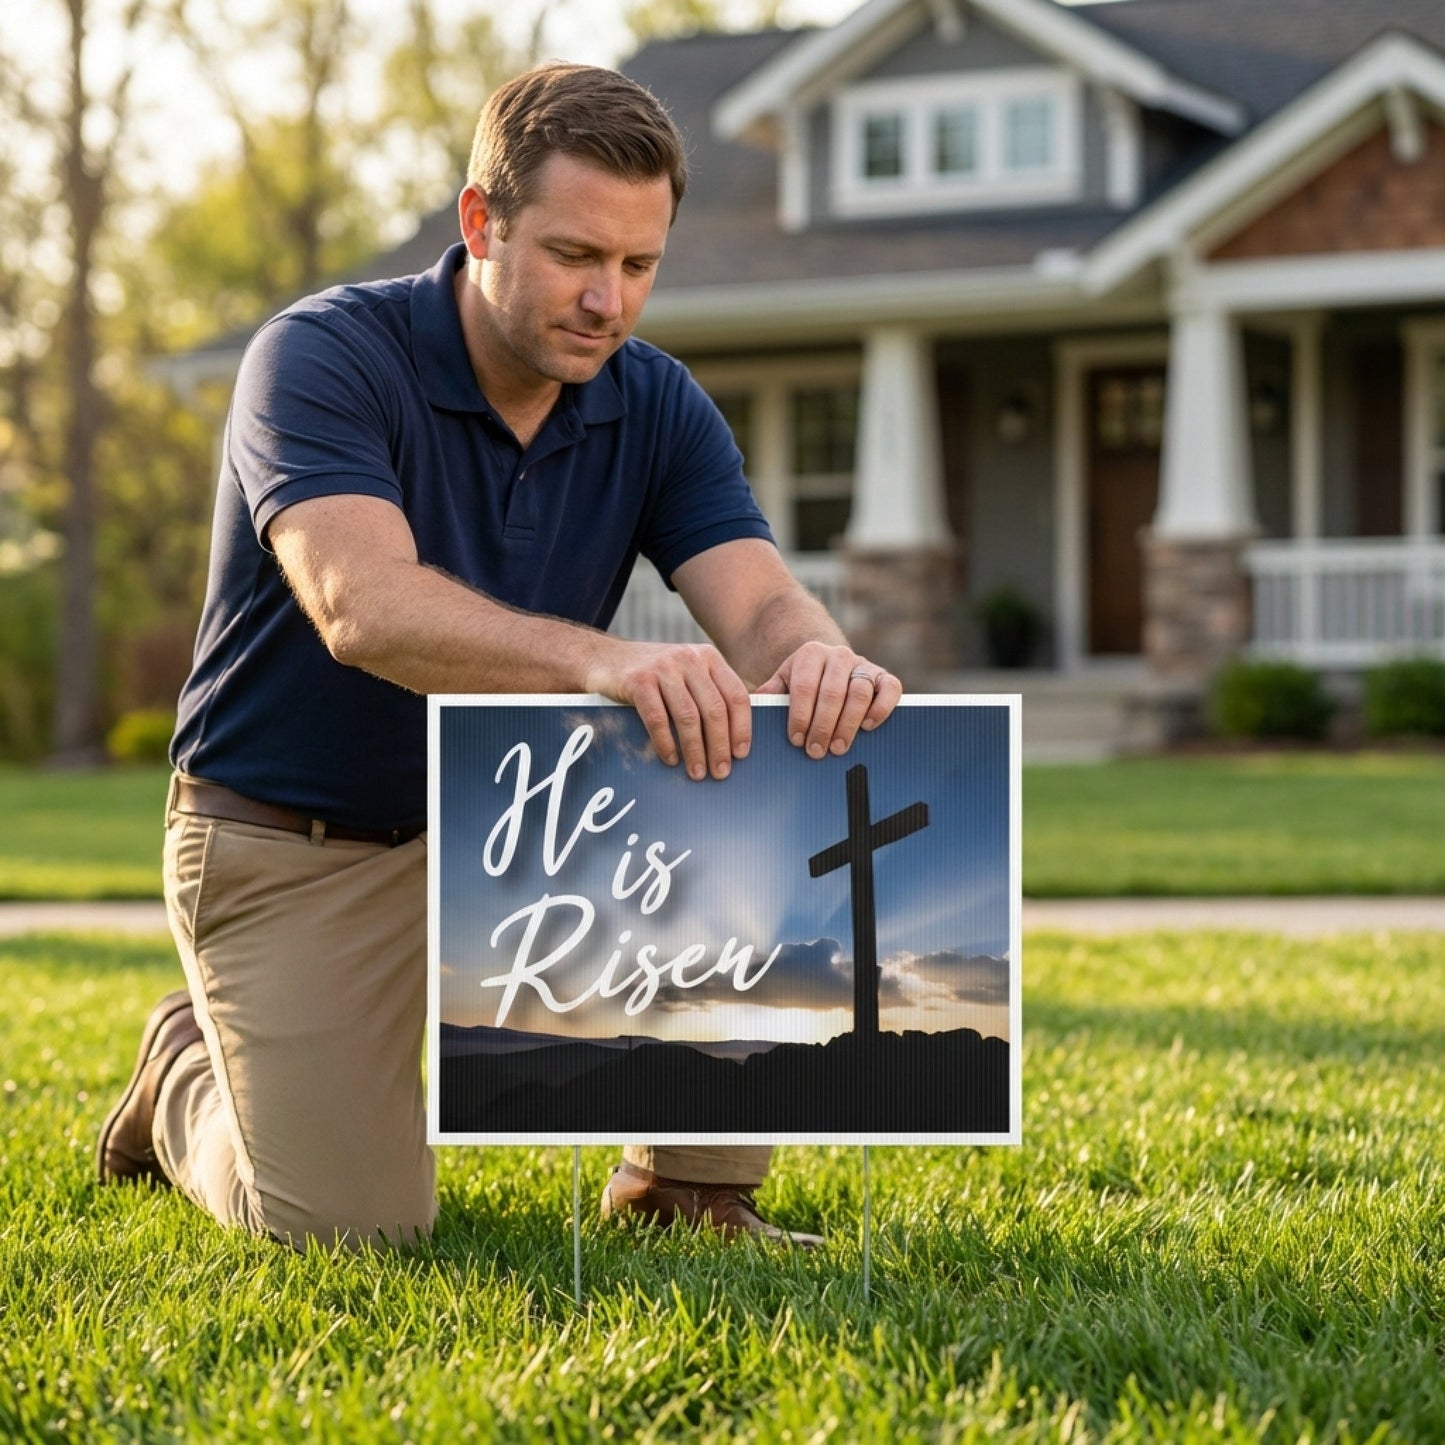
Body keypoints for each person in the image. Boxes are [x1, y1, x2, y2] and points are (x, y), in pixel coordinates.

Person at [96, 62, 902, 1252]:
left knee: (729, 747)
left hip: (519, 823)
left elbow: (768, 614)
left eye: (638, 266)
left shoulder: (657, 404)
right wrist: (604, 663)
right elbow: (360, 607)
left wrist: (822, 663)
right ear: (480, 221)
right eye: (577, 256)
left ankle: (686, 1183)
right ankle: (182, 1075)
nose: (608, 301)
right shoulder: (319, 359)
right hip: (296, 841)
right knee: (352, 1227)